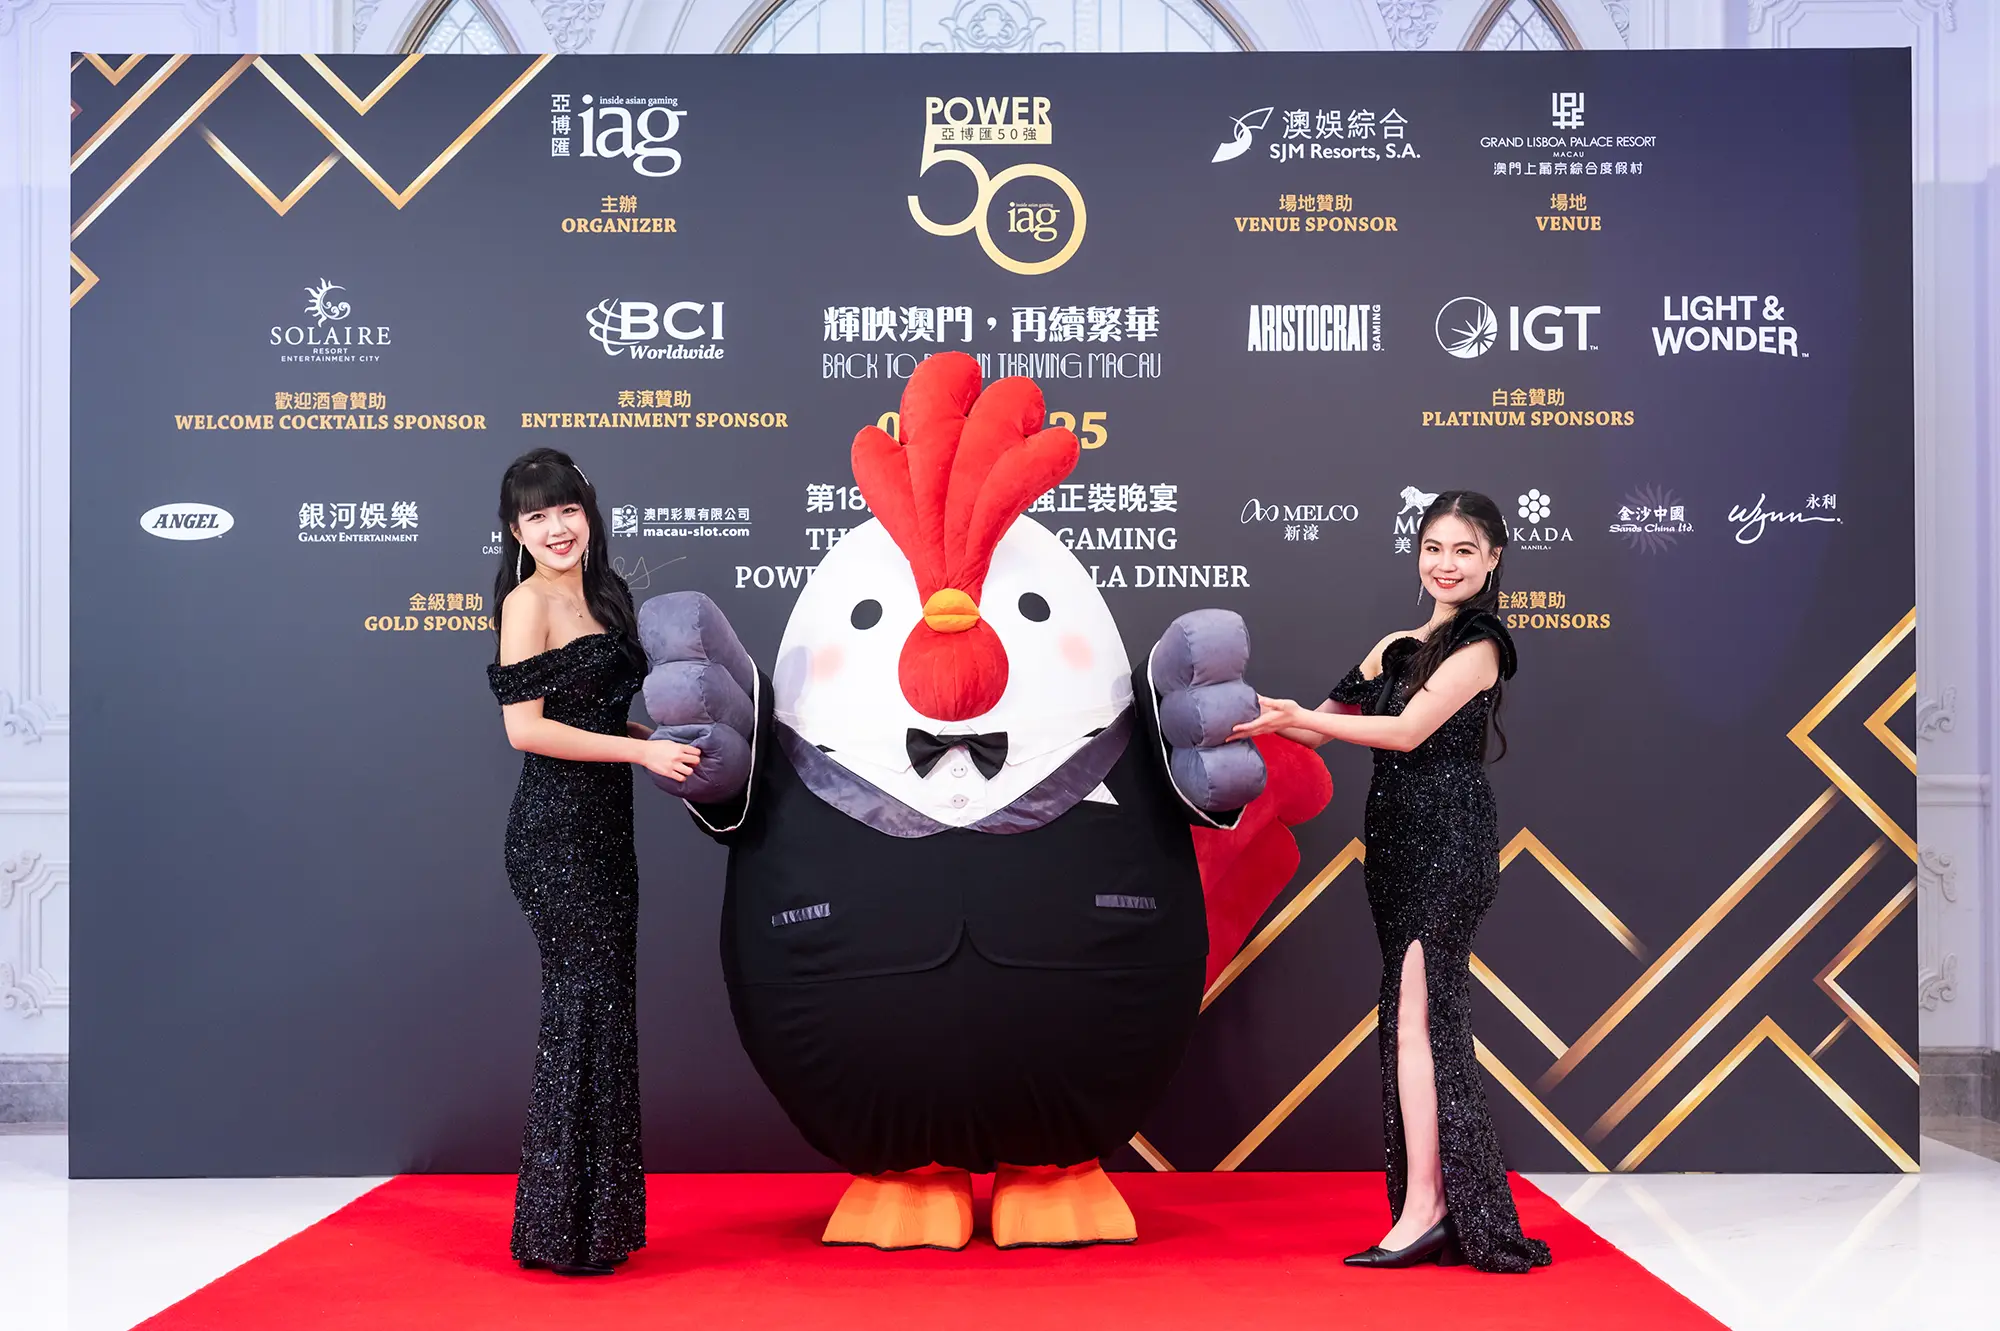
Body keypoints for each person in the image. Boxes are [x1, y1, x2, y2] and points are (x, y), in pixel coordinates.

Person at [1232, 490, 1551, 1274]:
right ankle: (1430, 1203)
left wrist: (1307, 717)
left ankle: (1427, 1209)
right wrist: (1265, 712)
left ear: (1493, 559)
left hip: (1448, 845)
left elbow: (1406, 731)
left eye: (1465, 550)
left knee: (1420, 1021)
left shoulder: (1484, 643)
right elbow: (1320, 724)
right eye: (1434, 547)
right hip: (1395, 851)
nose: (1447, 564)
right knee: (1410, 1022)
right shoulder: (1396, 645)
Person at [486, 448, 699, 1275]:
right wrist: (641, 755)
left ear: (589, 511)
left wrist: (653, 737)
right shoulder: (526, 602)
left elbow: (598, 713)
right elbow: (526, 728)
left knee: (604, 1015)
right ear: (516, 531)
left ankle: (594, 1223)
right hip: (554, 836)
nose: (556, 527)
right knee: (578, 1015)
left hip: (607, 833)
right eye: (536, 516)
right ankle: (559, 1230)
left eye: (566, 509)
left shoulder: (607, 593)